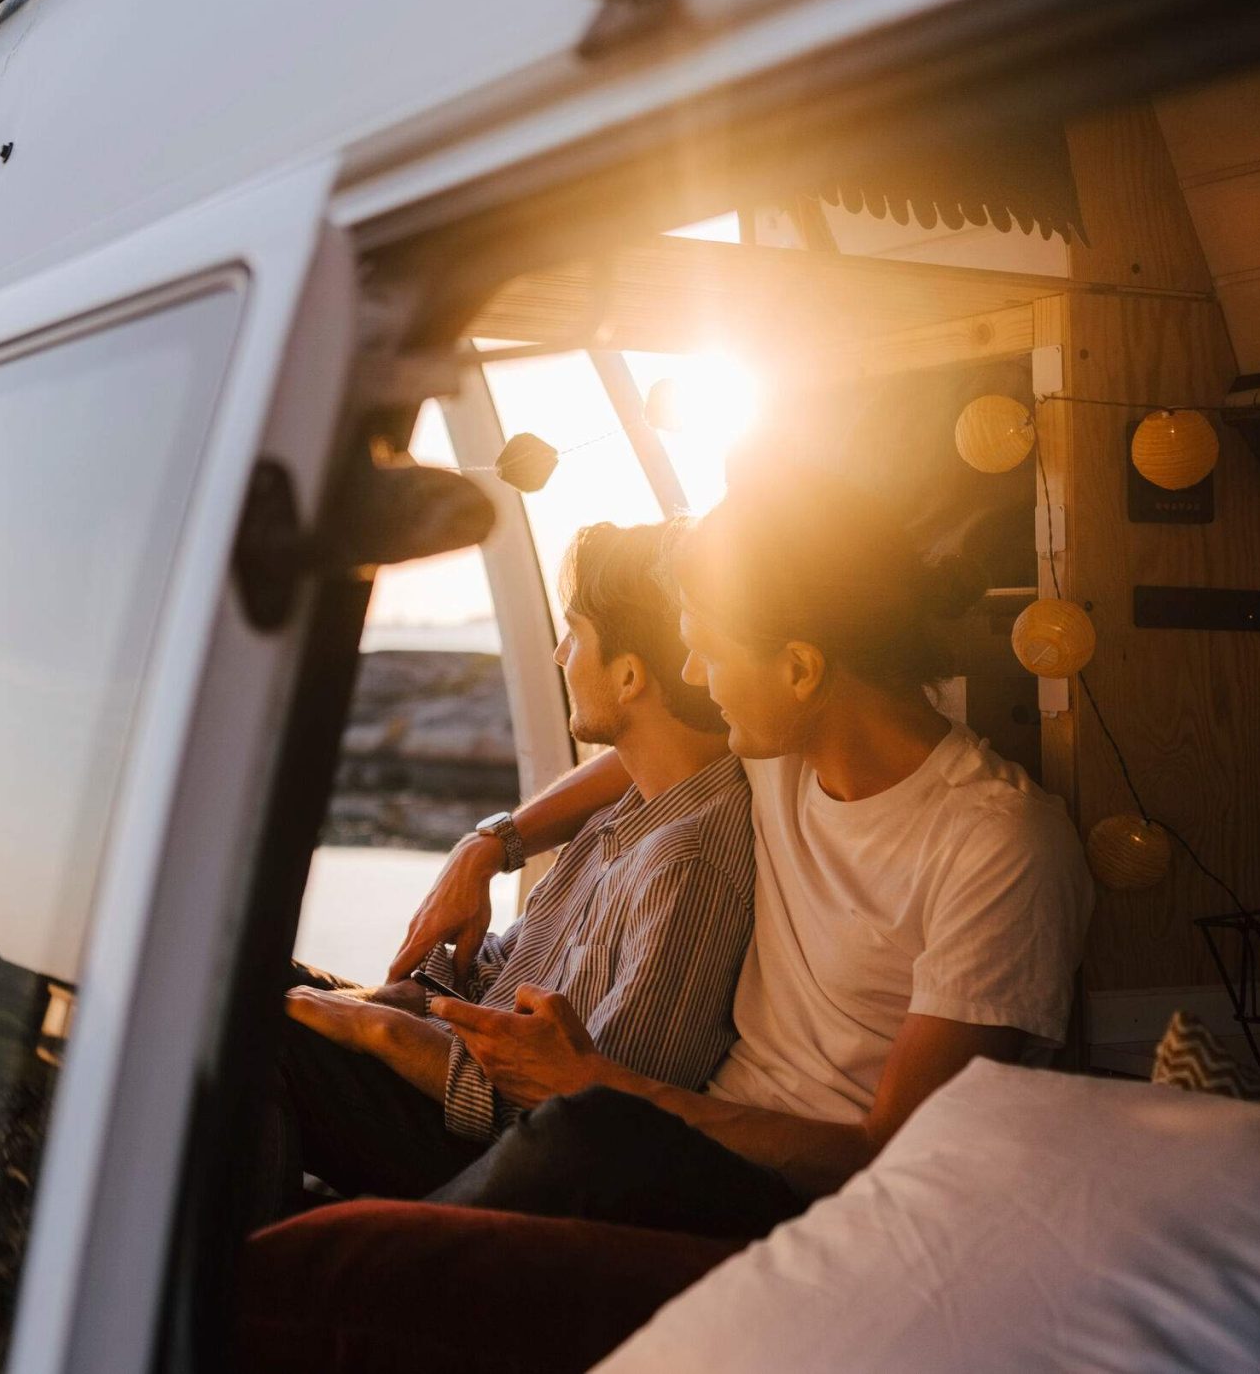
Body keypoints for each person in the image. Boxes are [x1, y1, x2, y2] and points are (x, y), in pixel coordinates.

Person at [403, 462, 1093, 1237]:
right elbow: (633, 755)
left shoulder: (998, 845)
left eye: (708, 651)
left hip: (805, 1203)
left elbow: (890, 1148)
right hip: (686, 1140)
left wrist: (602, 1086)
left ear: (800, 668)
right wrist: (490, 845)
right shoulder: (782, 749)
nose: (694, 676)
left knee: (569, 1139)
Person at [265, 520, 754, 1212]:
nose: (559, 653)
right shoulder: (627, 810)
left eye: (575, 632)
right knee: (243, 981)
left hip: (488, 1143)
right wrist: (422, 996)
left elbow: (592, 1118)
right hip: (459, 1065)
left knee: (261, 1038)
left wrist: (388, 1030)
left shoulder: (688, 863)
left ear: (629, 674)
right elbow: (508, 962)